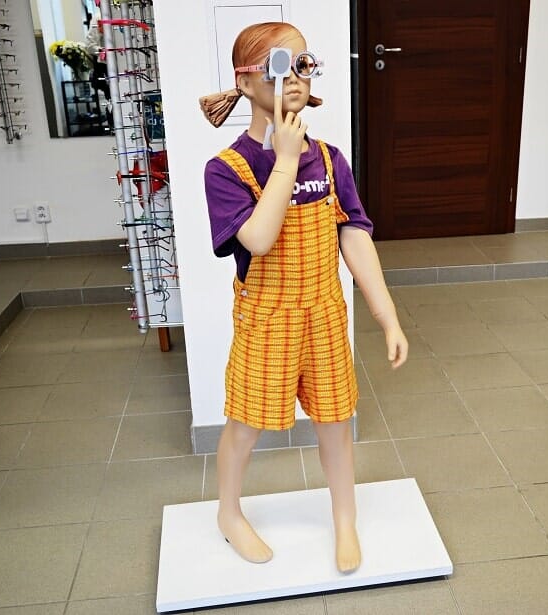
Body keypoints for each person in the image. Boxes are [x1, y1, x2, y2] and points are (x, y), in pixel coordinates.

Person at [199, 22, 408, 574]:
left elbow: (354, 235)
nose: (292, 78)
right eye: (277, 66)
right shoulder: (226, 170)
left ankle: (345, 518)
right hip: (267, 317)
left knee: (336, 421)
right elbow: (259, 240)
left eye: (302, 64)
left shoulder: (331, 159)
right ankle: (228, 513)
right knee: (245, 423)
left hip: (324, 314)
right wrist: (286, 160)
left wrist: (387, 316)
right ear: (246, 82)